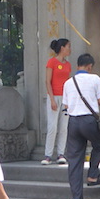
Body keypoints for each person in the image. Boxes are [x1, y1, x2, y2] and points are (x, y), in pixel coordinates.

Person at [61, 53, 100, 199]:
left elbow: (66, 105)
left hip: (73, 122)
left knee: (74, 160)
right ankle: (93, 175)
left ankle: (76, 198)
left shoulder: (68, 83)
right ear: (90, 66)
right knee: (99, 145)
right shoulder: (95, 79)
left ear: (77, 66)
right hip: (89, 120)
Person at [41, 38, 71, 166]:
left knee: (64, 127)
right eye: (68, 46)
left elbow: (68, 83)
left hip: (65, 98)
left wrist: (68, 100)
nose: (70, 49)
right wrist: (52, 99)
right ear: (62, 48)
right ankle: (48, 155)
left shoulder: (68, 64)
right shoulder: (51, 62)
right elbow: (47, 81)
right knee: (52, 127)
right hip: (53, 96)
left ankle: (61, 153)